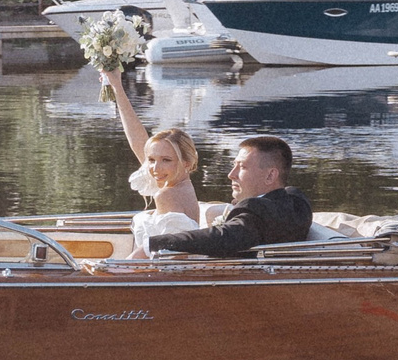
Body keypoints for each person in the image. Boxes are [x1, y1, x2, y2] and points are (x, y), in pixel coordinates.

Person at [146, 135, 313, 258]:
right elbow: (290, 190)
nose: (231, 175)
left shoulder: (258, 216)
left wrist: (153, 244)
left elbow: (222, 237)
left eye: (242, 167)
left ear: (270, 176)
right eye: (234, 165)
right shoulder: (296, 202)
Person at [98, 66, 201, 251]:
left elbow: (165, 254)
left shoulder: (167, 194)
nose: (154, 168)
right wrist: (117, 87)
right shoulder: (178, 184)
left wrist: (111, 268)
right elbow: (138, 141)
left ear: (186, 163)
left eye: (166, 160)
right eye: (152, 159)